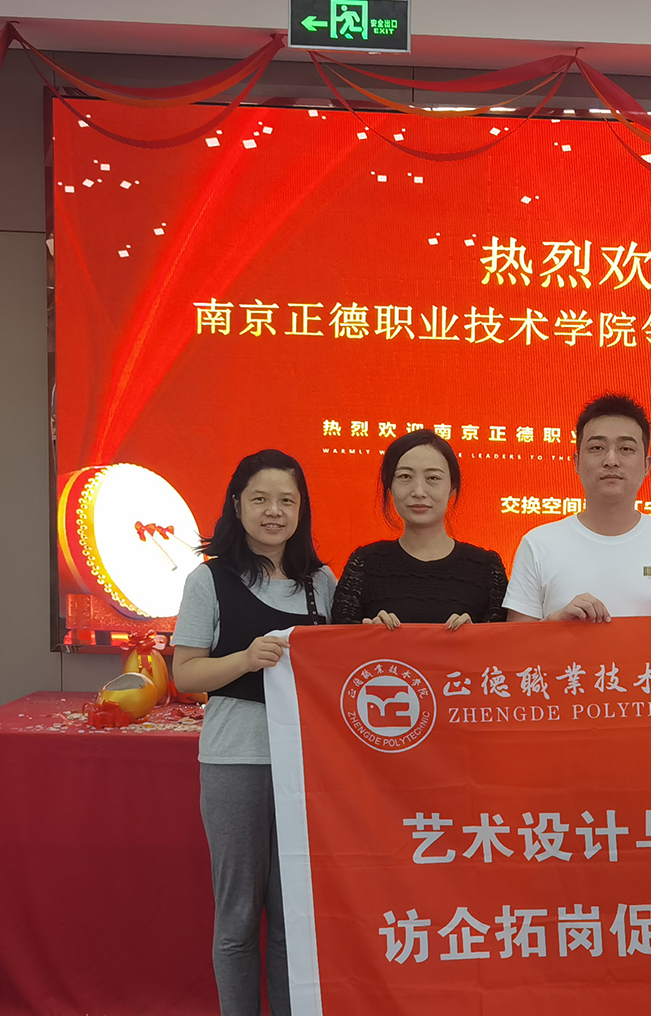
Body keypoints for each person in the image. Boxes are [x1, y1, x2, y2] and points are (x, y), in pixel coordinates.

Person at [171, 449, 336, 1016]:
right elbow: (185, 673)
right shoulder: (209, 579)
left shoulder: (320, 582)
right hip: (235, 762)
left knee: (293, 917)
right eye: (261, 499)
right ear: (237, 505)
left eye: (287, 501)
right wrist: (244, 659)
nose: (274, 512)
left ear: (301, 510)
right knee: (238, 918)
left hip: (304, 770)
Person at [504, 393, 651, 622]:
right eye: (597, 447)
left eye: (626, 449)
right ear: (576, 462)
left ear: (646, 465)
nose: (611, 461)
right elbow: (516, 640)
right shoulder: (538, 545)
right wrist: (555, 623)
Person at [333, 430, 509, 629]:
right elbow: (337, 642)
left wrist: (475, 636)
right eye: (405, 476)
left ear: (452, 487)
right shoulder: (364, 563)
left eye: (433, 478)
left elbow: (504, 644)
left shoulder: (486, 568)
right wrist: (367, 634)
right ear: (389, 486)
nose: (418, 491)